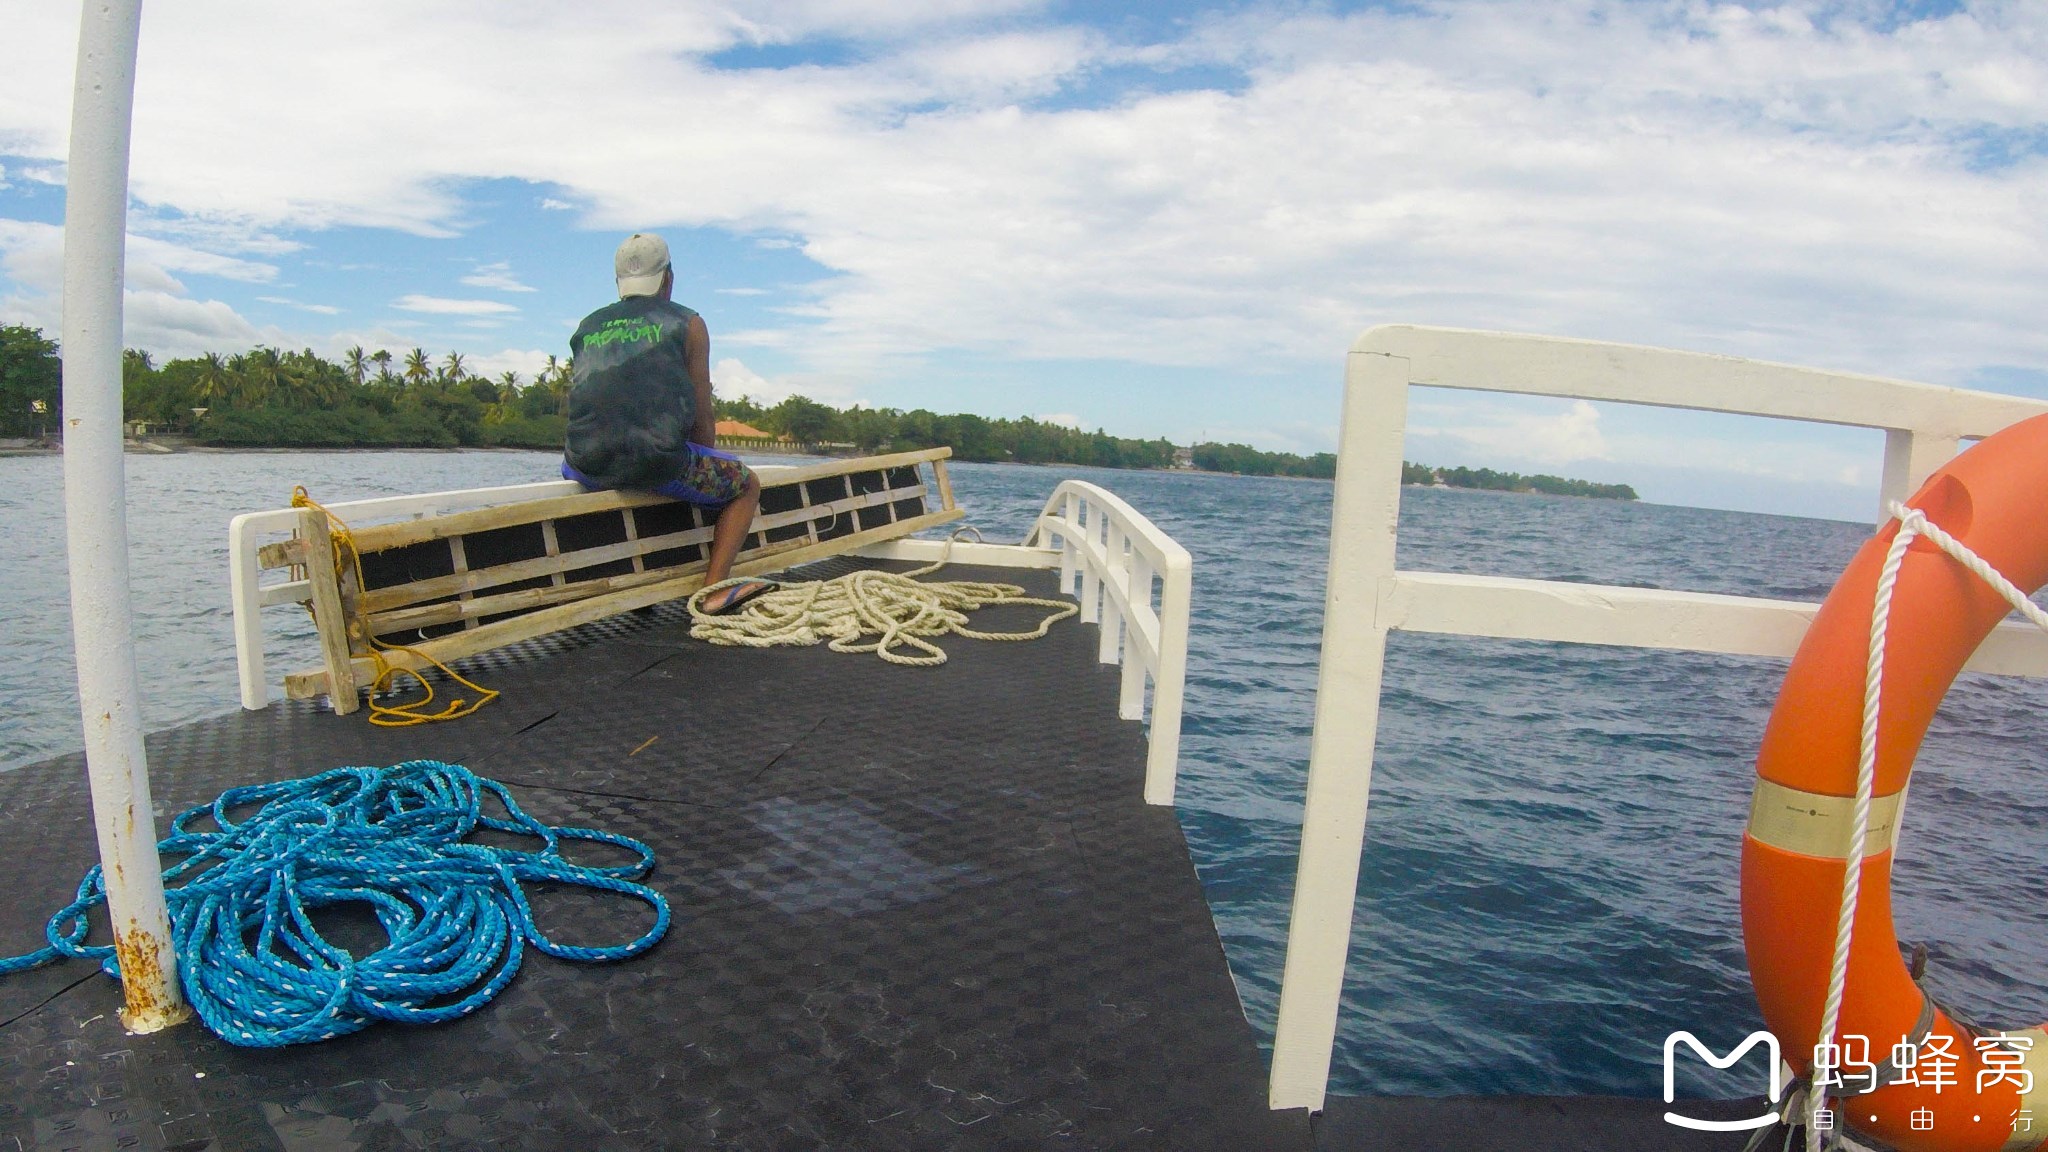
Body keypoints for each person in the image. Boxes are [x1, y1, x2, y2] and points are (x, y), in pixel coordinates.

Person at [562, 233, 772, 615]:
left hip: (582, 464)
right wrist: (708, 462)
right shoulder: (688, 323)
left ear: (618, 284)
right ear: (668, 279)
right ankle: (713, 592)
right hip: (655, 464)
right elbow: (701, 416)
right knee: (746, 485)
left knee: (620, 465)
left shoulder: (587, 325)